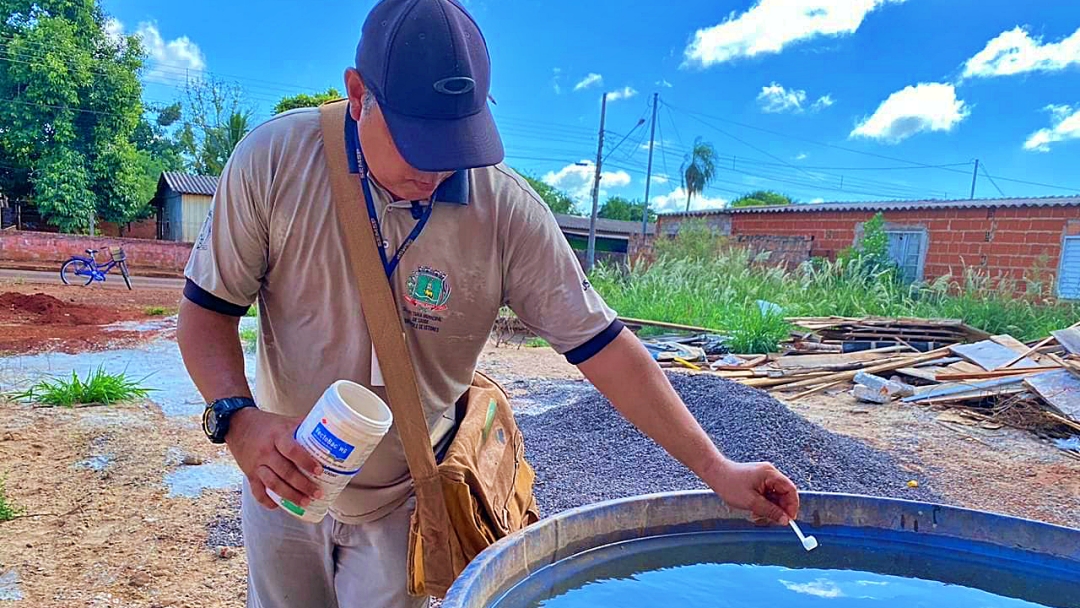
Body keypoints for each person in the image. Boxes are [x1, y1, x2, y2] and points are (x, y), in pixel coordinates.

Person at [176, 0, 800, 606]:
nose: (439, 169)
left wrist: (718, 470)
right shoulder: (275, 162)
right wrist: (238, 420)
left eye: (457, 142)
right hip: (282, 483)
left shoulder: (506, 213)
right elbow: (205, 313)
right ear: (359, 95)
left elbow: (606, 349)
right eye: (419, 141)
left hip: (406, 501)